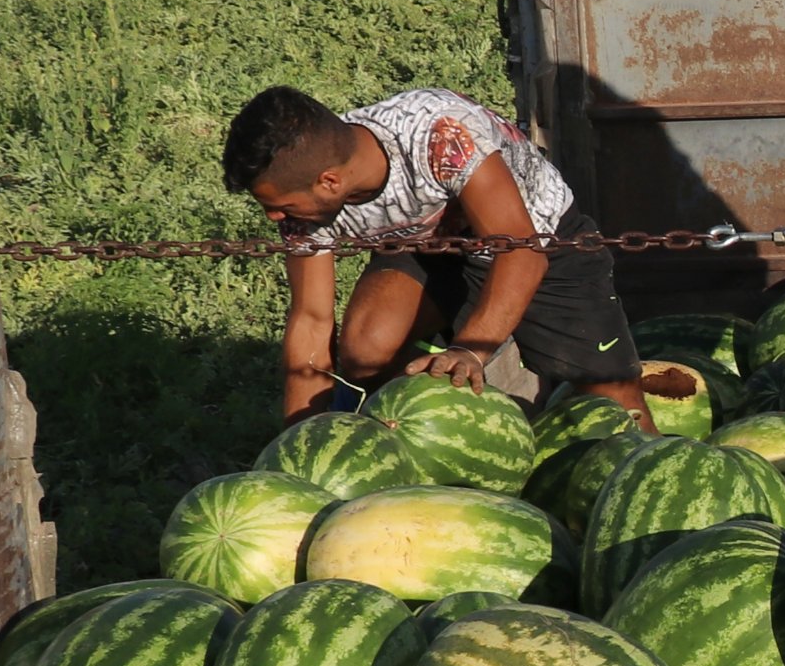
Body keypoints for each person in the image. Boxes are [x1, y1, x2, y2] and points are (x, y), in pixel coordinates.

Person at [221, 84, 647, 422]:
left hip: (538, 241)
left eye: (281, 205)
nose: (275, 217)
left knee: (613, 396)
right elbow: (311, 320)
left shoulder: (439, 135)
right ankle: (417, 437)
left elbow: (521, 254)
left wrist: (470, 351)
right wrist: (299, 438)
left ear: (330, 181)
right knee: (366, 351)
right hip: (427, 250)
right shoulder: (305, 200)